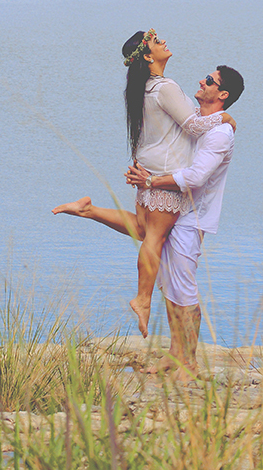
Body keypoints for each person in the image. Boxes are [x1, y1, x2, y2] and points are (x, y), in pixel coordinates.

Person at [53, 29, 233, 339]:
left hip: (148, 167)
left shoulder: (145, 88)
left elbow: (178, 121)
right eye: (155, 41)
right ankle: (143, 298)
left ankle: (88, 210)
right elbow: (193, 126)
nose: (162, 41)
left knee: (141, 228)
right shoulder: (165, 87)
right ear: (148, 56)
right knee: (155, 236)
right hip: (163, 171)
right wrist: (225, 119)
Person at [126, 65, 244, 381]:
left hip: (193, 217)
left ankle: (189, 363)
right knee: (170, 284)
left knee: (185, 288)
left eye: (210, 81)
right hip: (176, 210)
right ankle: (175, 354)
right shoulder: (197, 121)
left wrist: (150, 181)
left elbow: (195, 177)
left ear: (222, 94)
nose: (202, 81)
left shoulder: (220, 134)